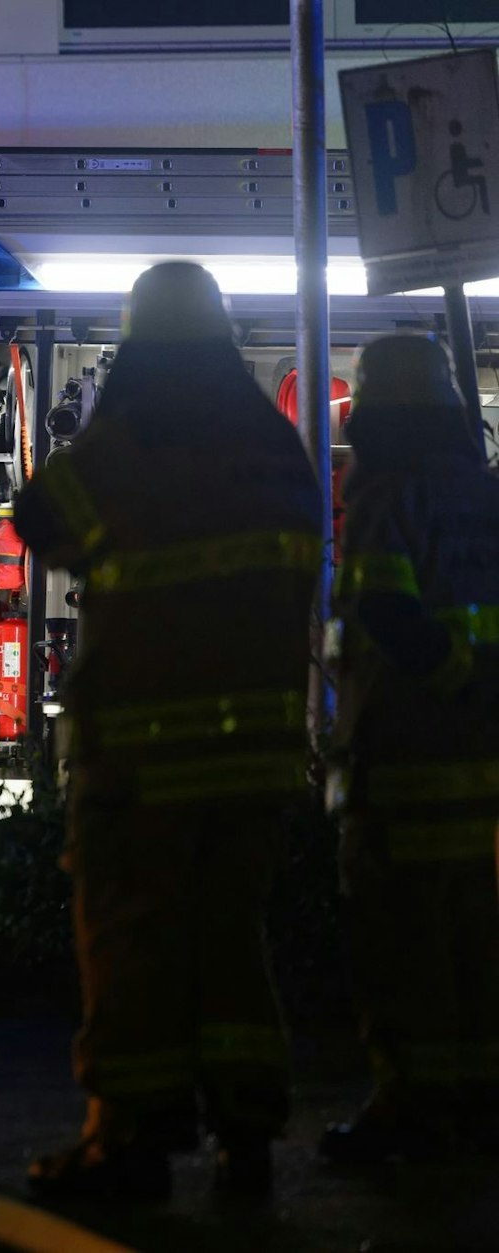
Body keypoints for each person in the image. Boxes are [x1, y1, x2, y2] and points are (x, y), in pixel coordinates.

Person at [13, 262, 323, 1200]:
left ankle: (130, 1142)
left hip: (143, 760)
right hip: (257, 757)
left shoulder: (132, 440)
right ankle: (247, 1138)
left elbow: (38, 518)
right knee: (233, 940)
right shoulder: (277, 449)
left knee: (131, 939)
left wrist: (101, 421)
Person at [321, 334, 499, 1163]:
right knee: (475, 937)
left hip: (404, 756)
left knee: (400, 940)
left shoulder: (384, 494)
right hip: (481, 767)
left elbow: (386, 612)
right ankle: (476, 1099)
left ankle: (409, 1105)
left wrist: (449, 677)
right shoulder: (484, 493)